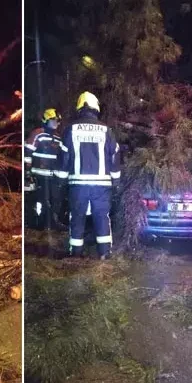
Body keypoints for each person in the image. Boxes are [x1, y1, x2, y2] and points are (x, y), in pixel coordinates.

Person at [59, 92, 121, 259]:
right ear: (96, 108)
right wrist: (116, 179)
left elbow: (64, 156)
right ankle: (105, 254)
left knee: (77, 217)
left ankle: (76, 253)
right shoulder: (106, 130)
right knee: (101, 218)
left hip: (78, 184)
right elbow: (114, 155)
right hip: (101, 185)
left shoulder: (71, 129)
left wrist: (60, 180)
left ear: (79, 108)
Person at [26, 108, 67, 231]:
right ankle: (38, 222)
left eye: (58, 121)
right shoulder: (38, 134)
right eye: (54, 120)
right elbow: (27, 152)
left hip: (52, 175)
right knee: (41, 199)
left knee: (55, 199)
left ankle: (52, 222)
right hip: (38, 175)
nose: (56, 123)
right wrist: (27, 172)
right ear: (46, 120)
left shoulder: (58, 138)